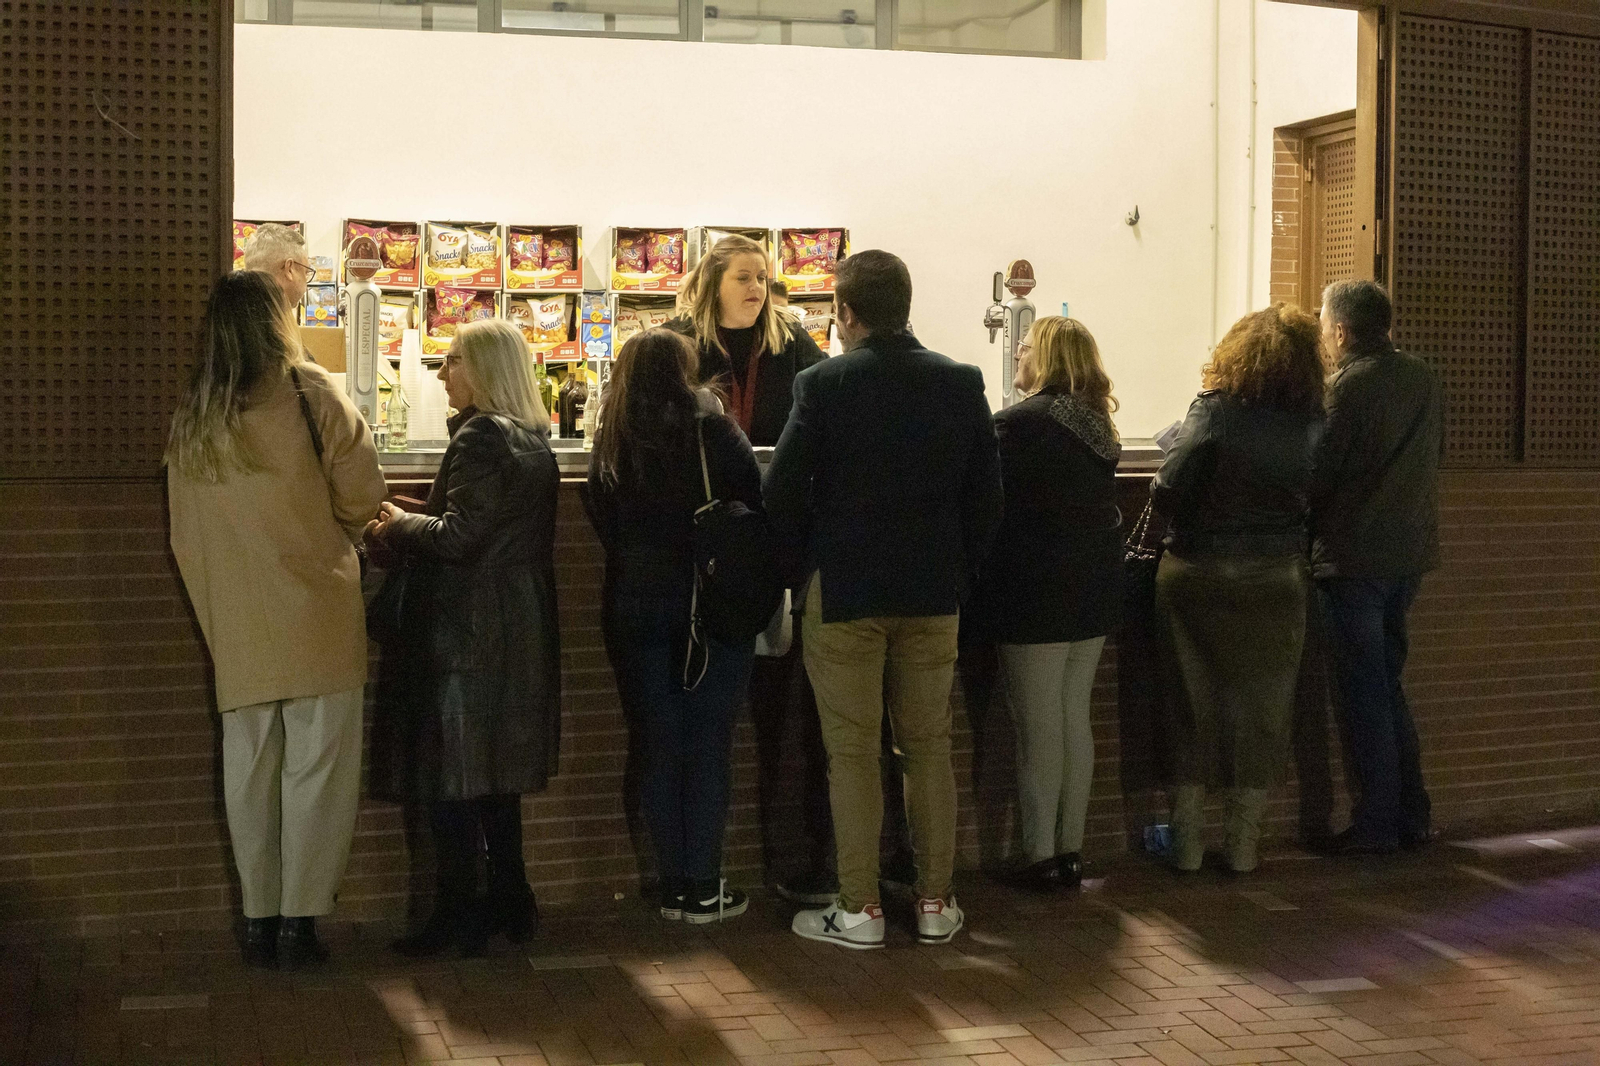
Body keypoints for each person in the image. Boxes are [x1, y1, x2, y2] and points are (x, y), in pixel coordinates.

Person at [765, 249, 1004, 949]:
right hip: (933, 594)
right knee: (928, 748)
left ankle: (861, 909)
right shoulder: (960, 381)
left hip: (844, 592)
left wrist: (802, 562)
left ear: (845, 312)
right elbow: (987, 500)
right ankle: (935, 901)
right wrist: (958, 571)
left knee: (853, 753)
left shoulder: (823, 384)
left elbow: (780, 493)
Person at [166, 271, 385, 969]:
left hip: (234, 619)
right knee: (317, 772)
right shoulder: (310, 393)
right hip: (318, 608)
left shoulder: (195, 415)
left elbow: (183, 533)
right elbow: (363, 496)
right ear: (277, 321)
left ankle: (258, 918)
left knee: (249, 769)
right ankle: (300, 923)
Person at [365, 318, 561, 956]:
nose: (441, 373)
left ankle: (458, 916)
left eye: (452, 361)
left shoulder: (479, 436)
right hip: (518, 621)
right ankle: (512, 901)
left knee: (452, 777)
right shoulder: (532, 439)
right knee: (496, 780)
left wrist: (396, 524)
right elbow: (487, 524)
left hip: (467, 628)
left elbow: (459, 538)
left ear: (483, 370)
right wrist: (424, 515)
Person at [668, 234, 836, 902]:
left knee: (785, 712)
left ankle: (786, 851)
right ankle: (703, 860)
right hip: (706, 544)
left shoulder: (792, 345)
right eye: (744, 276)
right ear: (712, 283)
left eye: (764, 278)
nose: (756, 289)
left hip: (779, 541)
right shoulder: (679, 343)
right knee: (710, 714)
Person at [583, 328, 766, 924]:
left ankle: (672, 887)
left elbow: (605, 525)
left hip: (634, 608)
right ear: (686, 372)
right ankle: (705, 884)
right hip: (709, 607)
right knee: (708, 745)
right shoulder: (714, 432)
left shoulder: (614, 444)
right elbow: (753, 507)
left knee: (658, 744)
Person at [1149, 304, 1326, 874]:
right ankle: (1244, 847)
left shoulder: (1215, 410)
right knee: (1263, 710)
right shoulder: (1313, 421)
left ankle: (1186, 846)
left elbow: (1170, 483)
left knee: (1190, 705)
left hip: (1197, 572)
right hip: (1278, 577)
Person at [971, 317, 1123, 891]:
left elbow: (987, 500)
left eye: (1027, 348)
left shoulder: (1017, 424)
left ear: (1049, 358)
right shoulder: (1097, 424)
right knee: (1072, 717)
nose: (1017, 355)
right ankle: (1072, 850)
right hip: (1093, 584)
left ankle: (1038, 857)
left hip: (1034, 586)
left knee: (1036, 725)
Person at [1310, 280, 1443, 856]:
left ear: (1341, 331)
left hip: (1355, 559)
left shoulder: (1346, 389)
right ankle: (1413, 816)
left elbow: (1320, 475)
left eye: (1323, 324)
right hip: (1408, 556)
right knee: (1387, 684)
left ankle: (1377, 825)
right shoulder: (1422, 377)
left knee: (1364, 691)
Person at [242, 223, 316, 312]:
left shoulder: (235, 311)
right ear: (289, 269)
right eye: (306, 272)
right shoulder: (271, 321)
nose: (306, 286)